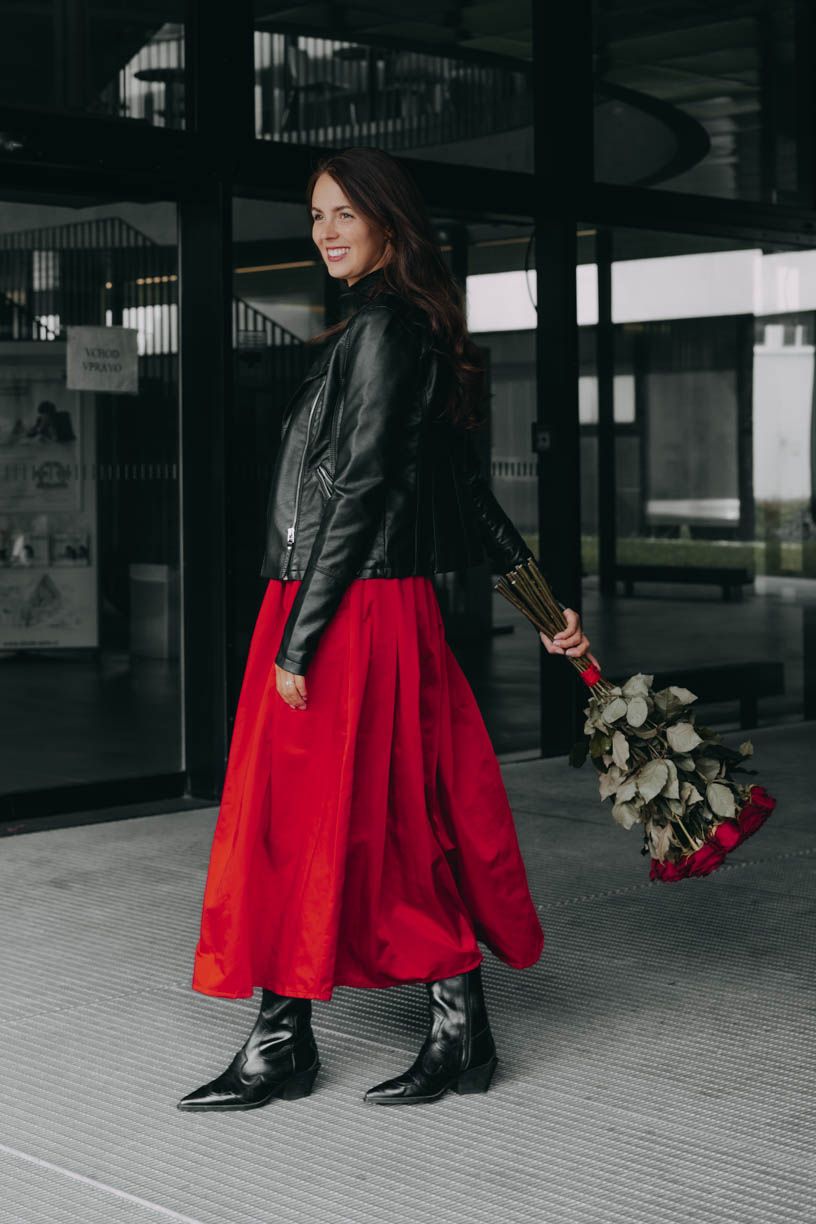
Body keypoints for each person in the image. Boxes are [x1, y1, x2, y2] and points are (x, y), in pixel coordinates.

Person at [178, 147, 597, 1113]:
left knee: (333, 821)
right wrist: (545, 610)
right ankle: (361, 1035)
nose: (325, 232)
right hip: (359, 602)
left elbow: (360, 489)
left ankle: (308, 1042)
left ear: (388, 222)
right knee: (366, 816)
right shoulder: (409, 330)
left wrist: (300, 637)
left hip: (341, 606)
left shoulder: (382, 331)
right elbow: (464, 491)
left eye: (343, 213)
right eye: (315, 215)